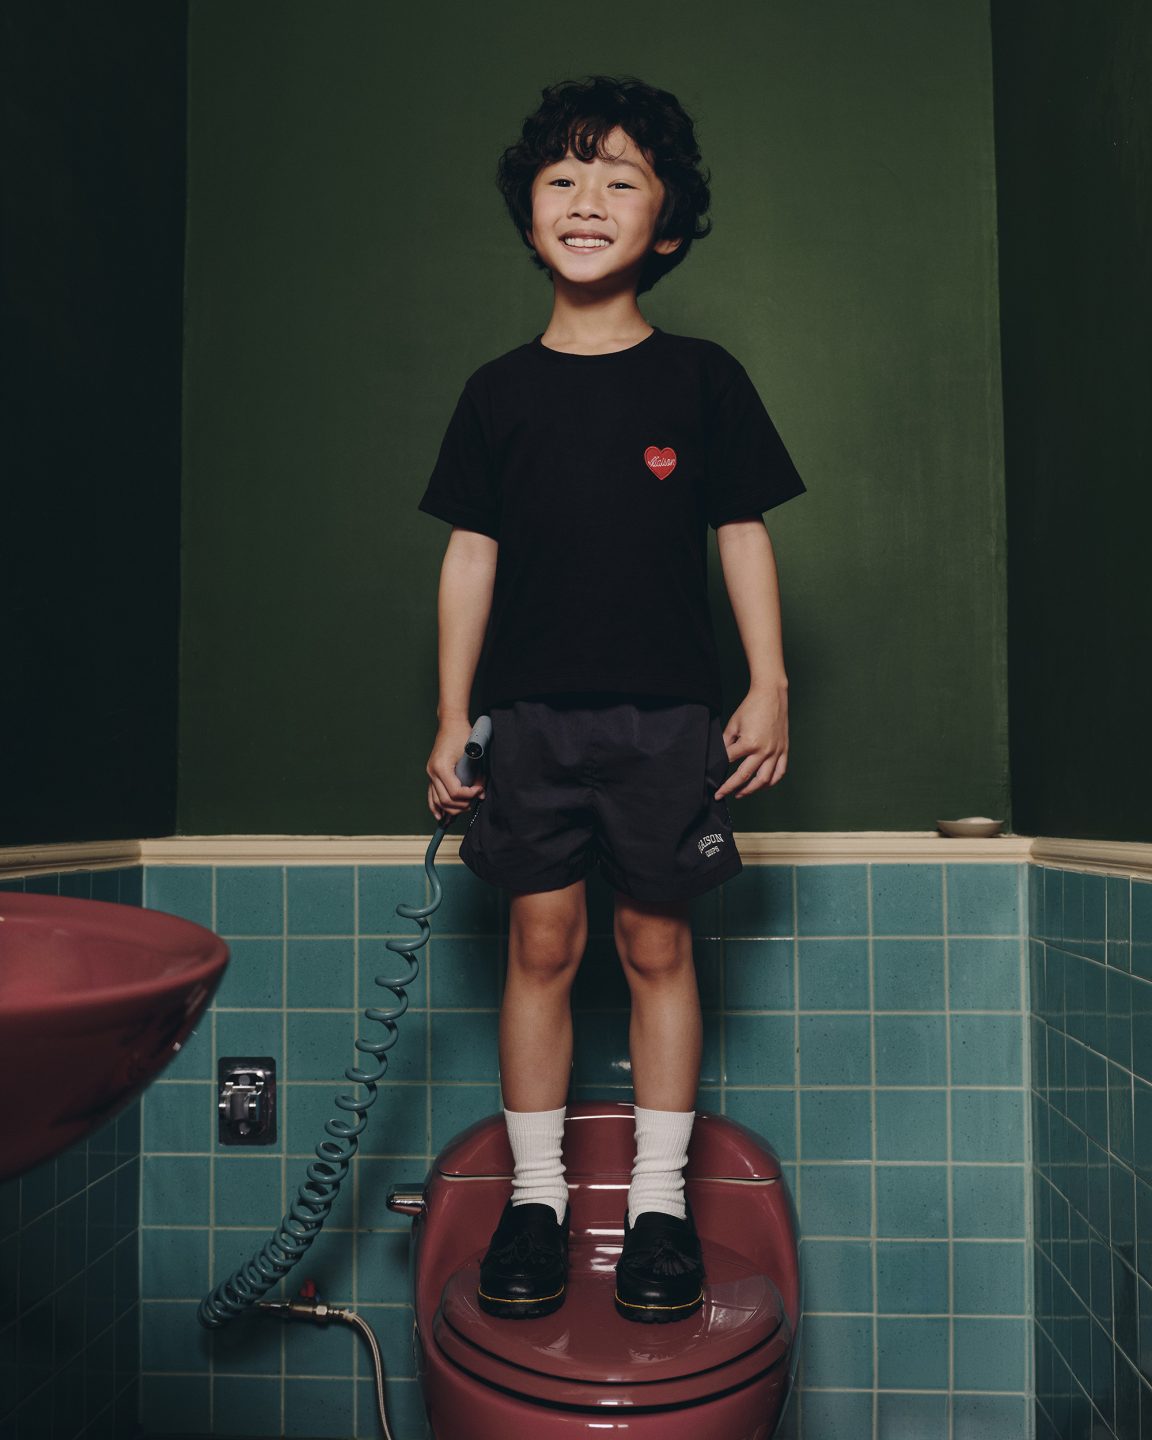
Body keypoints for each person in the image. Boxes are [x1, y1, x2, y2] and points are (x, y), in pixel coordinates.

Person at [417, 74, 806, 1325]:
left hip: (668, 719)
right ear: (530, 216)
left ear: (668, 225)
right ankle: (534, 1201)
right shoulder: (496, 391)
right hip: (529, 721)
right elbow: (469, 556)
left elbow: (741, 532)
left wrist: (769, 682)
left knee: (655, 946)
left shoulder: (702, 378)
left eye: (620, 179)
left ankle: (658, 1209)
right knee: (541, 946)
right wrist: (451, 716)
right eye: (563, 178)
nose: (588, 200)